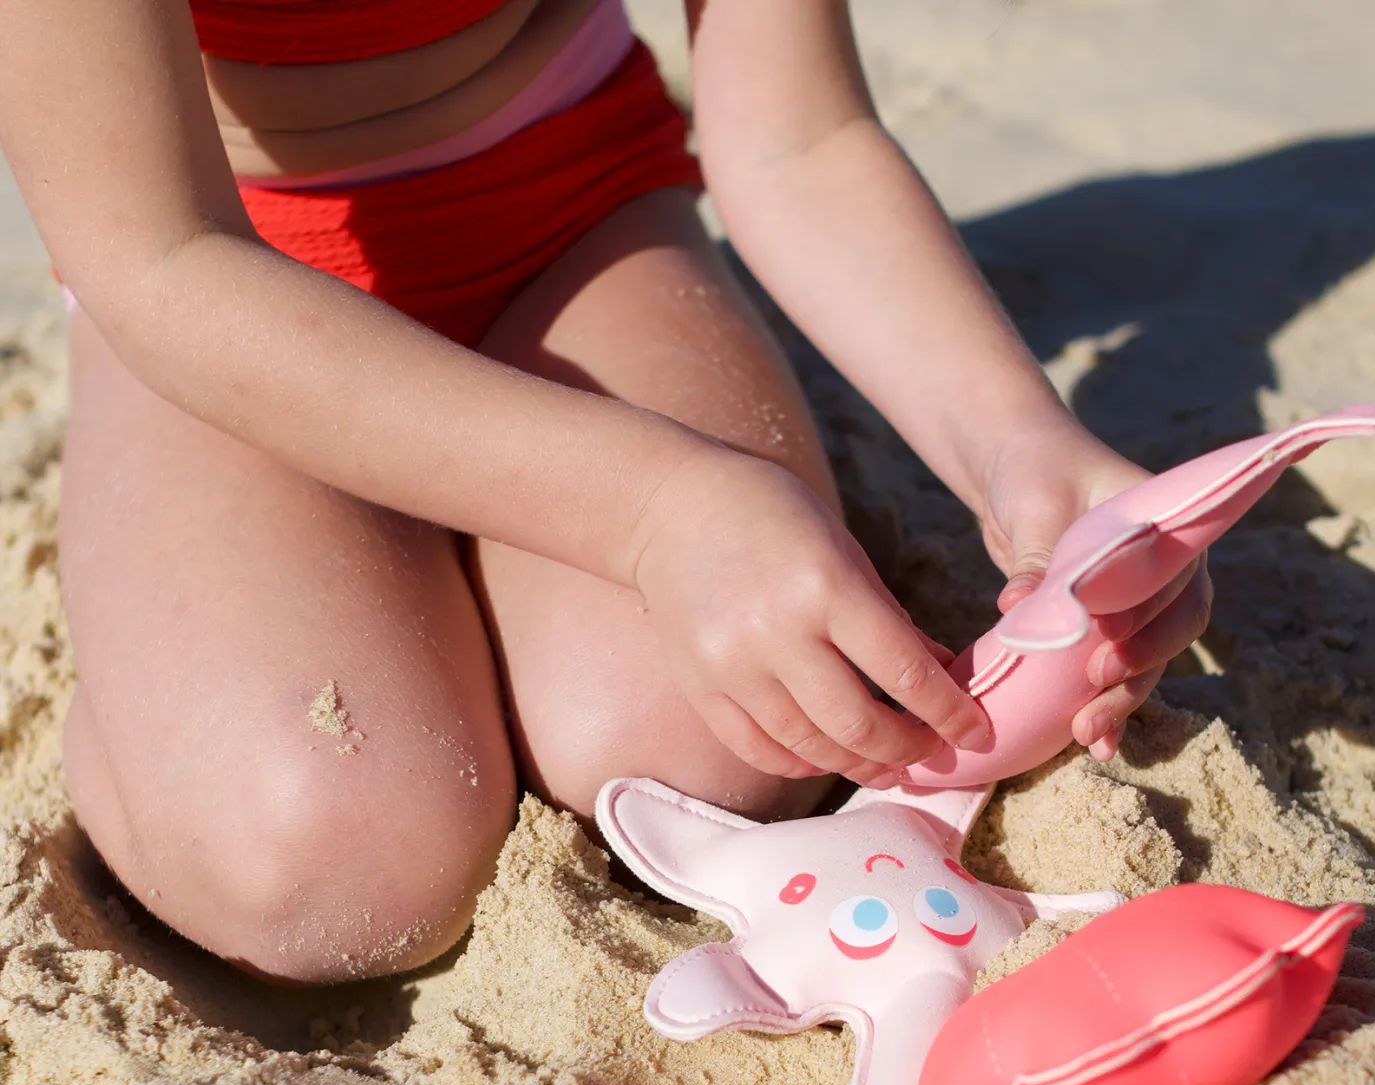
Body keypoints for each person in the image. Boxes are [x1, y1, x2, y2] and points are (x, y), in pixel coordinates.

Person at [0, 0, 1211, 984]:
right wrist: (656, 508)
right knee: (326, 857)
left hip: (565, 210)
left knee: (707, 751)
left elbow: (796, 136)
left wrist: (1012, 441)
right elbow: (157, 261)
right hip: (228, 287)